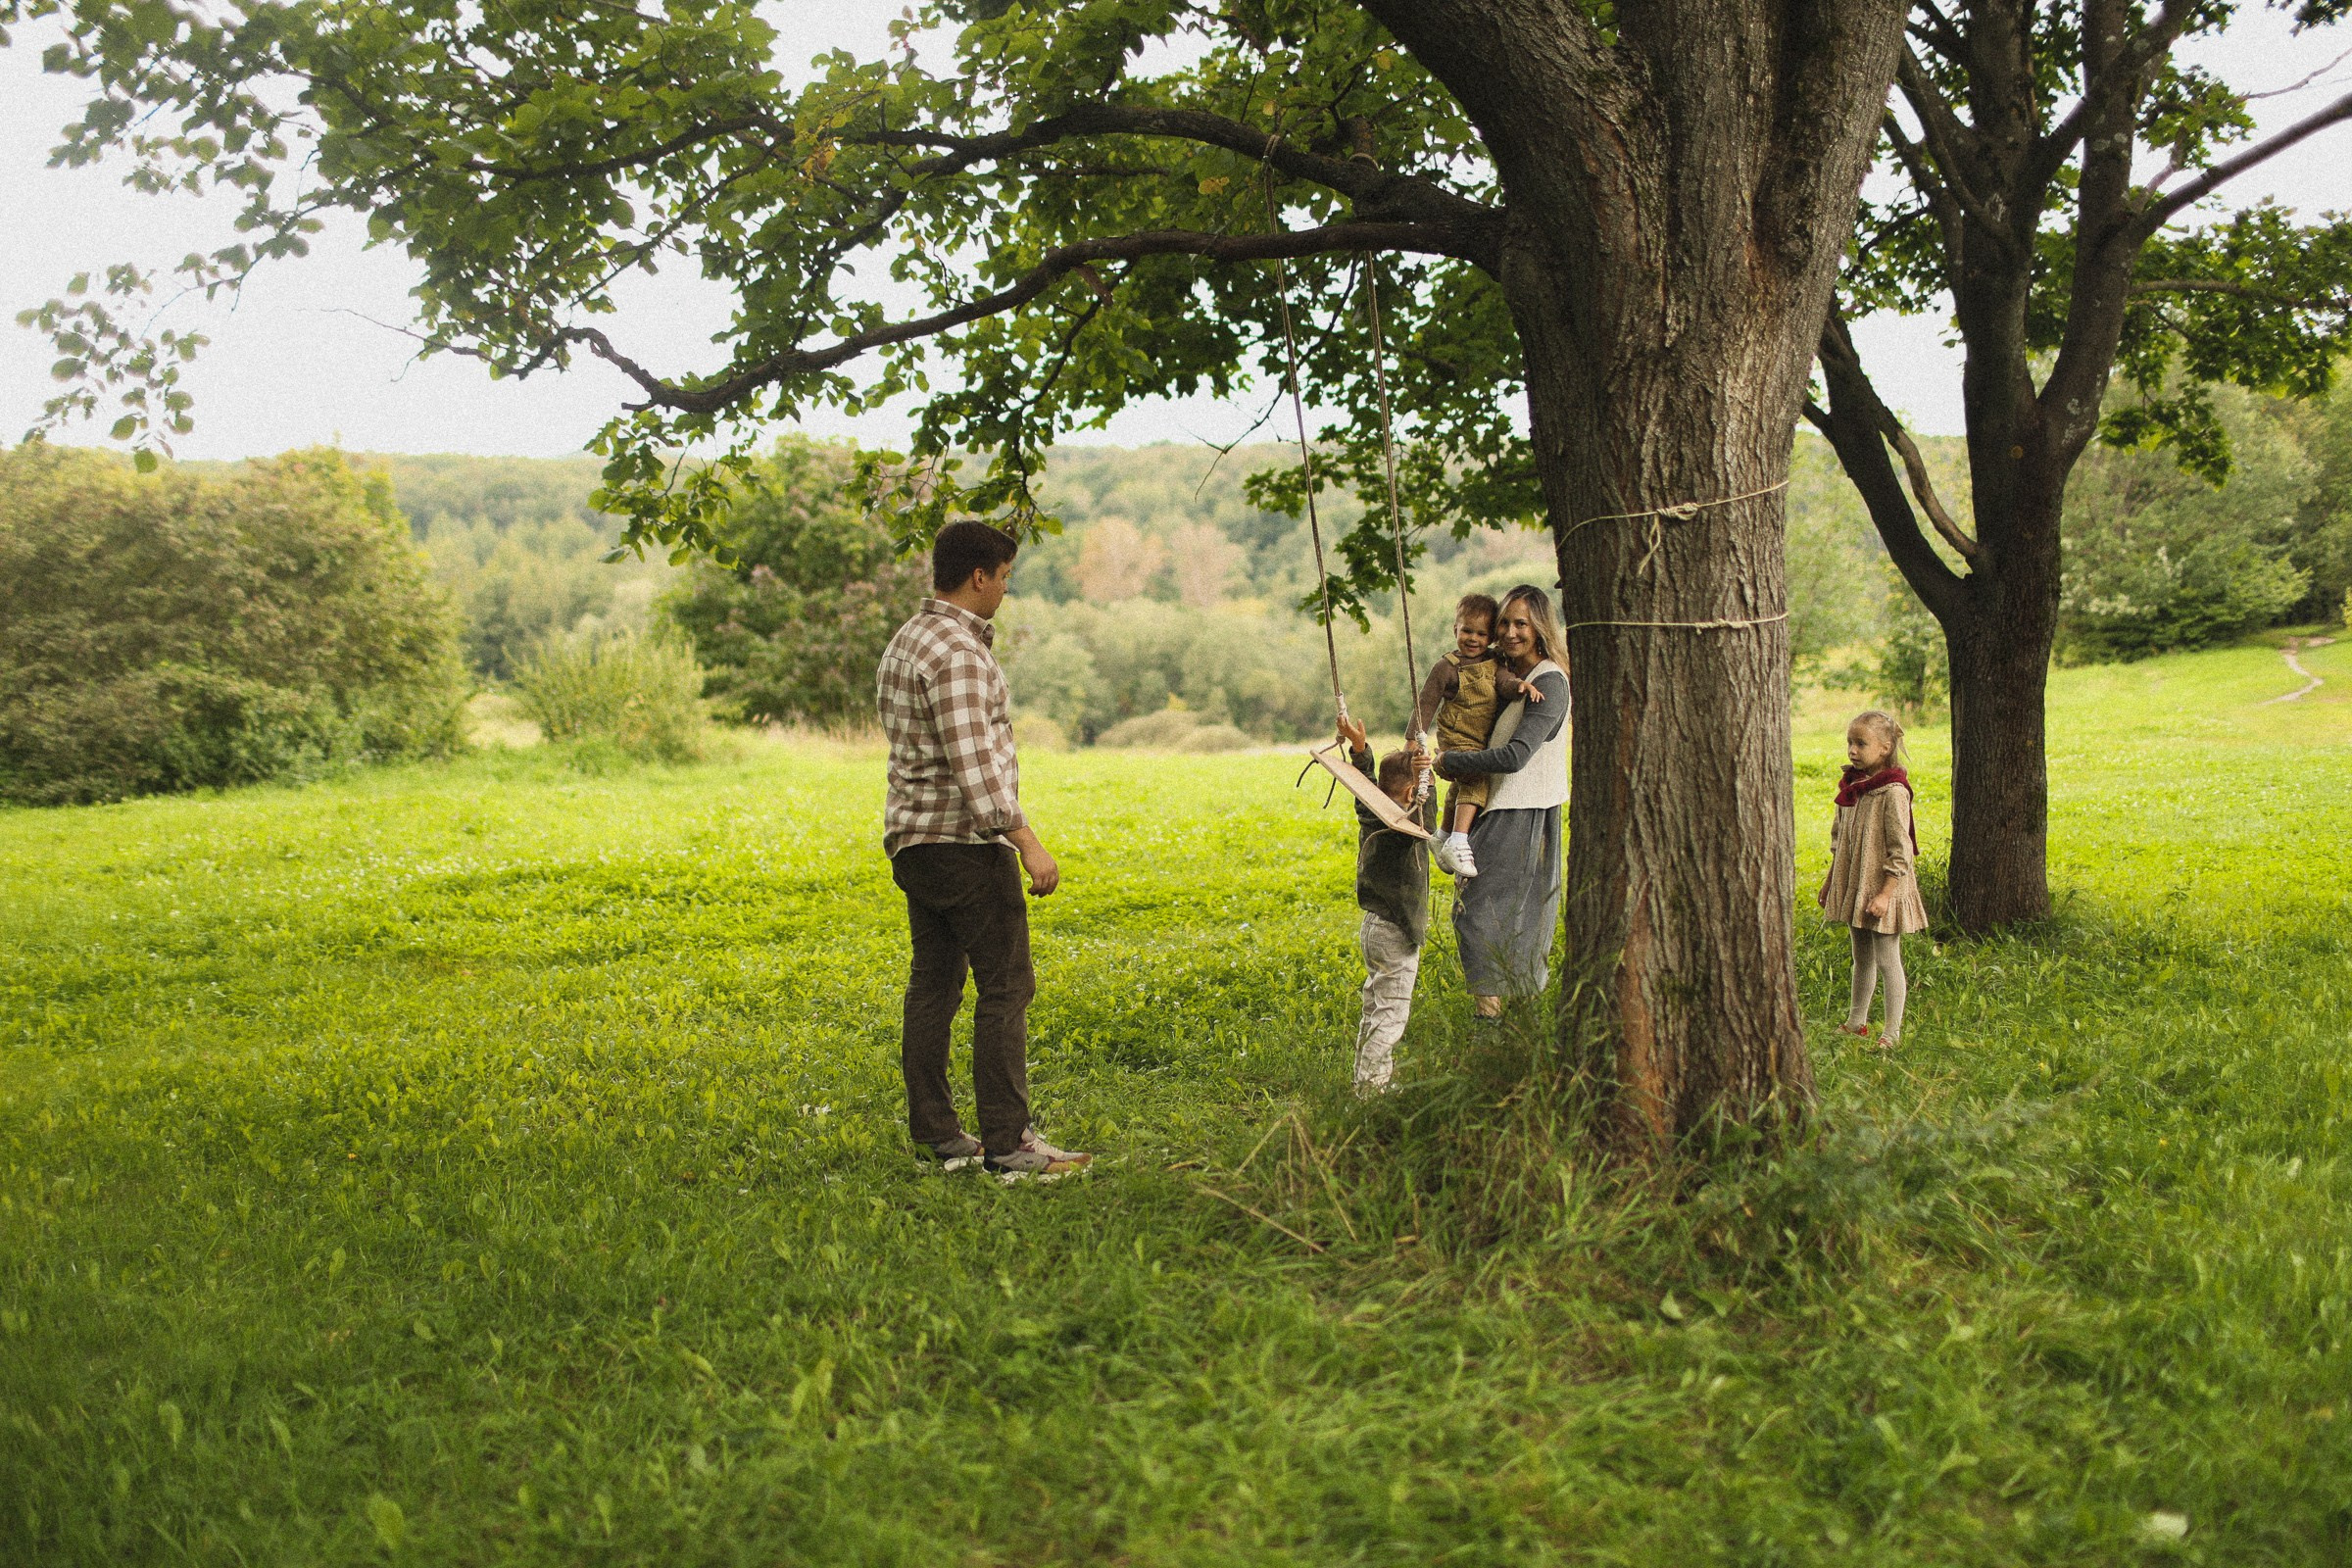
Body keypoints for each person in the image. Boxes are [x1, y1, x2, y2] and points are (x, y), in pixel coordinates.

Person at [876, 520, 1091, 1178]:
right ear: (978, 576)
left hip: (913, 840)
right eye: (1003, 577)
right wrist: (1025, 839)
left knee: (934, 984)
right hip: (964, 842)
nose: (1004, 590)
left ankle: (938, 1137)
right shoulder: (958, 652)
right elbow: (974, 764)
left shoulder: (908, 640)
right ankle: (1009, 1145)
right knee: (1007, 985)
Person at [1432, 584, 1570, 1019]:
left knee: (1496, 915)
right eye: (1504, 623)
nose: (1510, 633)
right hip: (1496, 806)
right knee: (1486, 914)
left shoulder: (1550, 681)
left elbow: (1515, 756)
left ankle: (1498, 1021)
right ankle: (1500, 1020)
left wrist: (1451, 760)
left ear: (1541, 629)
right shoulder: (1508, 676)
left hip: (1524, 810)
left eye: (1521, 624)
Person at [1335, 711, 1437, 1093]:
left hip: (1374, 928)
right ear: (1413, 794)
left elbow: (1366, 787)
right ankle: (1371, 1091)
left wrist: (1360, 749)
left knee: (1375, 1008)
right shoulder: (1403, 830)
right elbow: (1426, 819)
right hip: (1395, 931)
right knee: (1391, 1013)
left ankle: (1365, 1080)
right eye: (1422, 789)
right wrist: (1428, 778)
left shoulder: (1371, 812)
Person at [1817, 709, 1929, 1048]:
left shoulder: (1892, 791)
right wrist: (1831, 880)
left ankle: (1891, 1033)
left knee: (1887, 959)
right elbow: (1840, 839)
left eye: (1860, 744)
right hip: (1856, 882)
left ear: (1883, 748)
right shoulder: (1852, 786)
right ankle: (1856, 1021)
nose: (1852, 750)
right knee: (1860, 957)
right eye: (1850, 742)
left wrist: (1885, 893)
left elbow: (1901, 848)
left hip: (1884, 888)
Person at [1416, 593, 1543, 881]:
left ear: (1490, 638)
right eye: (1467, 631)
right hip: (1458, 737)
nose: (1473, 639)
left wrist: (1521, 686)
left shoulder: (1492, 662)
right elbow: (1427, 702)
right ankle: (1459, 840)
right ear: (1455, 630)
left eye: (1482, 633)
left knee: (1461, 788)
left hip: (1480, 738)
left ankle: (1444, 834)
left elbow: (1504, 684)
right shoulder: (1447, 666)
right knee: (1476, 778)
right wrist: (1414, 739)